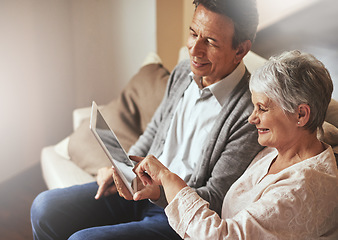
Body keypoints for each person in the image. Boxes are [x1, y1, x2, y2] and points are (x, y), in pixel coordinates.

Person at [30, 0, 264, 239]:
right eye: (193, 33)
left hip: (178, 216)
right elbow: (155, 132)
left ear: (241, 50)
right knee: (44, 208)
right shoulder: (184, 72)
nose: (195, 49)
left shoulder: (250, 113)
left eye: (211, 42)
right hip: (141, 186)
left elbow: (215, 198)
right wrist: (123, 169)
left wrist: (156, 192)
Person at [131, 50, 338, 239]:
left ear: (301, 114)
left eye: (262, 108)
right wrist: (160, 190)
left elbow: (221, 236)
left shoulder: (302, 188)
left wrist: (168, 178)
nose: (251, 118)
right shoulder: (273, 151)